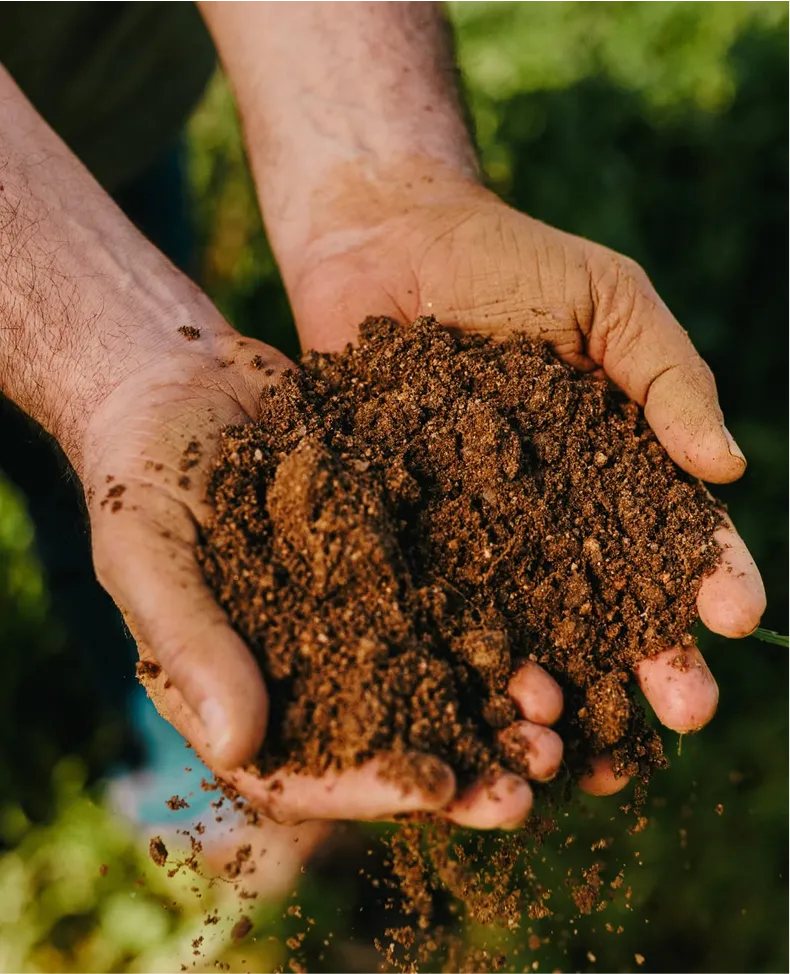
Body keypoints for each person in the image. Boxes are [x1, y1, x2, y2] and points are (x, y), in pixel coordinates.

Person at [0, 0, 766, 832]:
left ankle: (202, 734)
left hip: (102, 81)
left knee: (116, 501)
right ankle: (169, 760)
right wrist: (96, 368)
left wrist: (383, 174)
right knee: (97, 484)